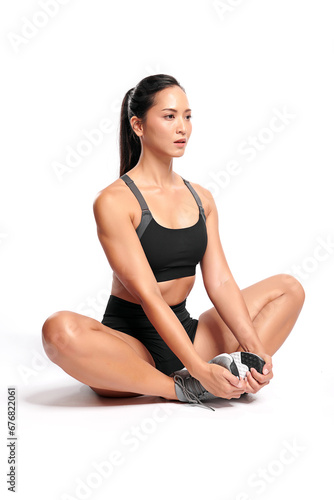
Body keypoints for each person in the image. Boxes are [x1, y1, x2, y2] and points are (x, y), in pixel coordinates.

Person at [41, 74, 305, 408]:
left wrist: (253, 347)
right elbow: (149, 295)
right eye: (169, 116)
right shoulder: (114, 201)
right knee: (58, 331)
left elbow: (221, 281)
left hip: (190, 334)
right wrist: (196, 368)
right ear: (138, 125)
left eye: (187, 116)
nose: (183, 127)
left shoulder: (201, 198)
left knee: (289, 288)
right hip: (131, 349)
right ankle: (182, 387)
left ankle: (229, 373)